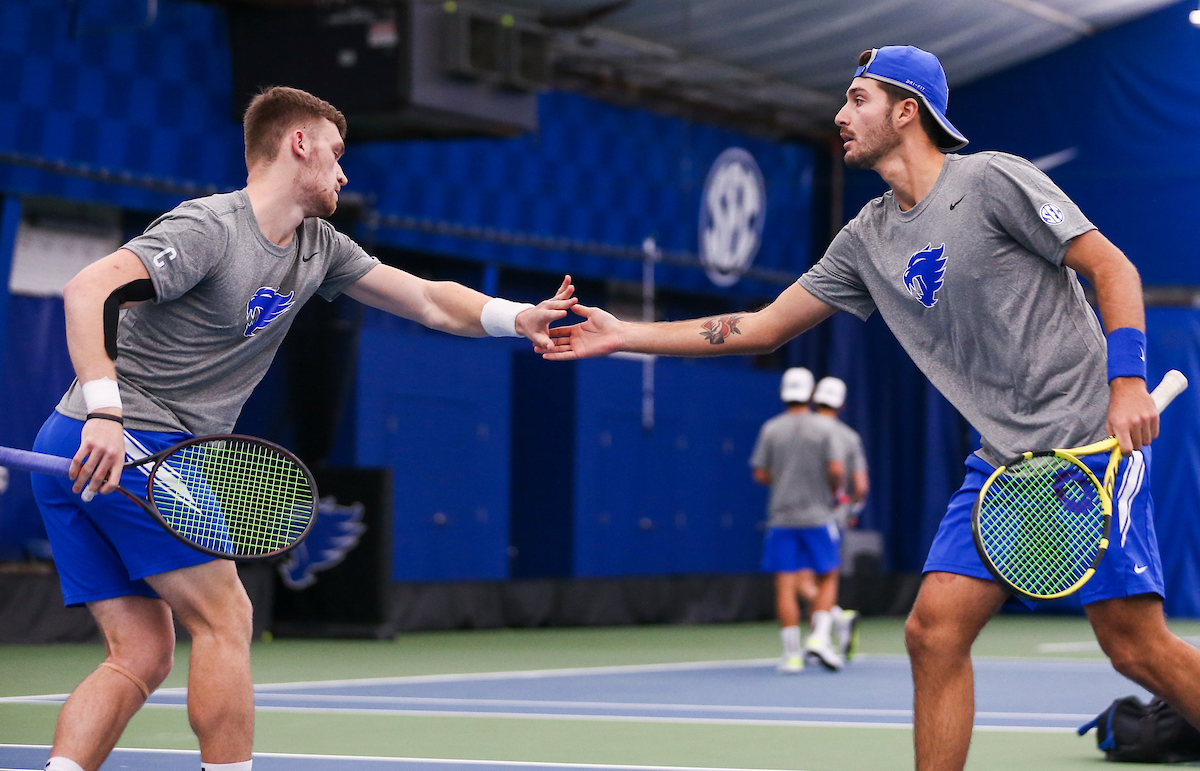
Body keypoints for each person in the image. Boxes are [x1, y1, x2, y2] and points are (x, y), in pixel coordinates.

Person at [540, 44, 1200, 771]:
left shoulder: (991, 179)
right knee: (932, 633)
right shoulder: (865, 240)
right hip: (1003, 466)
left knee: (1133, 647)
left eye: (857, 100)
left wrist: (1128, 381)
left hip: (1089, 446)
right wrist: (624, 334)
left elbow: (1113, 266)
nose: (840, 116)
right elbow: (758, 327)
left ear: (906, 111)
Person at [32, 86, 576, 771]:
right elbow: (87, 288)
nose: (345, 173)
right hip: (127, 440)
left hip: (79, 443)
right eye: (337, 153)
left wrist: (514, 315)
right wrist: (108, 412)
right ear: (299, 144)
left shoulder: (319, 248)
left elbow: (431, 301)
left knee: (142, 654)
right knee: (226, 618)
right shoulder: (210, 228)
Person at [750, 367, 846, 673]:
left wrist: (786, 480)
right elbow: (835, 470)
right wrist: (830, 489)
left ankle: (791, 656)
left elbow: (760, 473)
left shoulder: (770, 428)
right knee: (828, 575)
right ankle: (818, 636)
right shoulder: (825, 429)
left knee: (785, 585)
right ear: (810, 394)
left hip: (781, 519)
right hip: (819, 516)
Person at [811, 375, 868, 659]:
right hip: (833, 518)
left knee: (799, 578)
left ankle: (821, 633)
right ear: (842, 404)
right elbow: (861, 487)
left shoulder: (795, 428)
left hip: (804, 517)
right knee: (819, 578)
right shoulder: (848, 437)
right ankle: (834, 620)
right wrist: (851, 510)